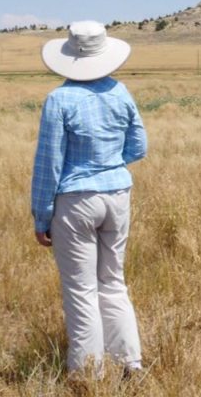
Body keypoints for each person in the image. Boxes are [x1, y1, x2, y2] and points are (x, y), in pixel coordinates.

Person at [31, 20, 147, 378]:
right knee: (112, 281)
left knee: (81, 291)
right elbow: (139, 145)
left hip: (76, 200)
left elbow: (49, 163)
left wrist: (41, 215)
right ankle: (130, 363)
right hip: (117, 194)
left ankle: (87, 374)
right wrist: (109, 164)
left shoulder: (59, 99)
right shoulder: (120, 92)